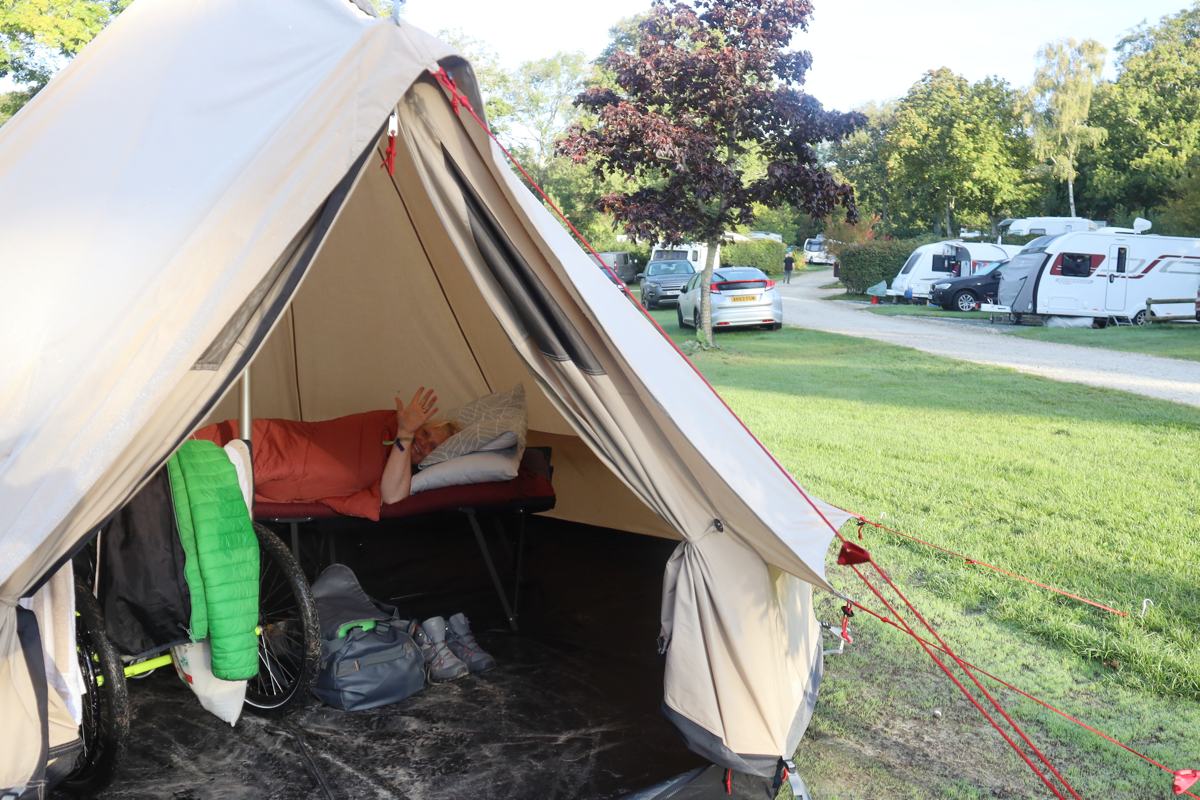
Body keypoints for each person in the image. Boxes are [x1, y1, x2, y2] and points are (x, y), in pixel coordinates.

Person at [192, 387, 458, 520]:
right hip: (287, 440)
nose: (425, 444)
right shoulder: (386, 424)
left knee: (229, 470)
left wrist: (407, 432)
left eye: (433, 447)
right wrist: (404, 428)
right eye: (425, 434)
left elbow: (393, 495)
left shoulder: (401, 452)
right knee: (231, 451)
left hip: (293, 474)